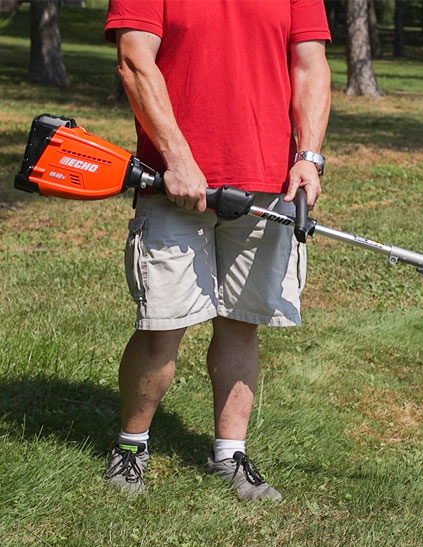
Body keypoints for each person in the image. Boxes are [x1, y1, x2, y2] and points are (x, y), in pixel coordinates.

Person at [101, 0, 331, 501]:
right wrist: (179, 159)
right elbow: (135, 59)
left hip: (267, 187)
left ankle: (230, 454)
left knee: (241, 322)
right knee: (162, 324)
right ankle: (131, 447)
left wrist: (308, 158)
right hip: (172, 184)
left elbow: (310, 64)